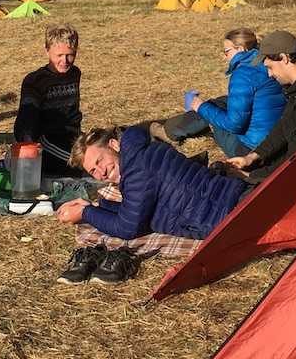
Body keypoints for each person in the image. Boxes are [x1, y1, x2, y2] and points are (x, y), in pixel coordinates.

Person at [53, 125, 249, 284]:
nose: (101, 173)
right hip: (232, 200)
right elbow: (136, 212)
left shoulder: (138, 170)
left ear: (114, 145)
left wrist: (86, 213)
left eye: (100, 161)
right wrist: (95, 208)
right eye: (93, 171)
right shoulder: (139, 154)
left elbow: (127, 227)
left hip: (234, 213)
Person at [217, 30, 296, 184]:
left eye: (270, 67)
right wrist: (252, 157)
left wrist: (250, 177)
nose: (270, 75)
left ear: (284, 58)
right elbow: (285, 126)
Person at [154, 28, 285, 159]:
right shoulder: (267, 62)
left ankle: (170, 133)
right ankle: (176, 128)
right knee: (222, 101)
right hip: (275, 139)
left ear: (240, 49)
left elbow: (235, 125)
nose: (224, 56)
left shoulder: (243, 74)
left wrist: (201, 107)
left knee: (208, 109)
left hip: (249, 150)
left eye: (227, 51)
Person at [13, 25, 83, 174]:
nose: (65, 61)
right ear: (47, 51)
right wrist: (28, 143)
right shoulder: (35, 80)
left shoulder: (75, 73)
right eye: (59, 55)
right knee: (82, 163)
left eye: (70, 55)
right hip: (46, 140)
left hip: (72, 136)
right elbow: (27, 117)